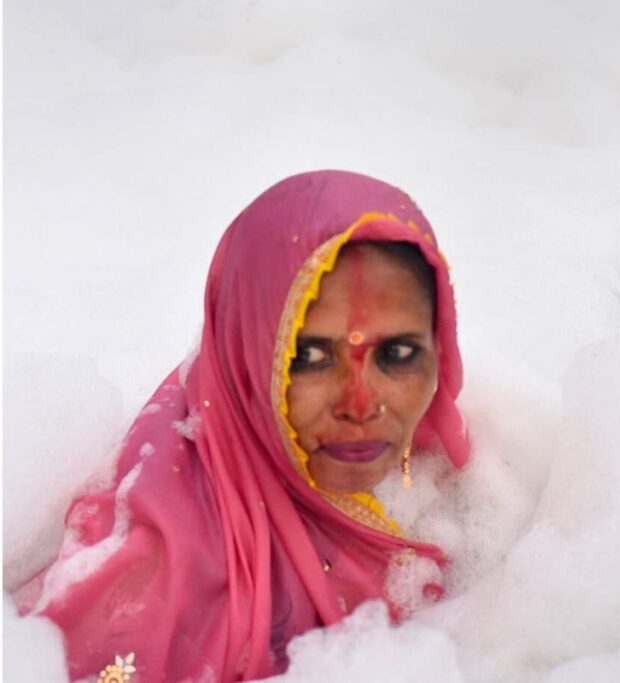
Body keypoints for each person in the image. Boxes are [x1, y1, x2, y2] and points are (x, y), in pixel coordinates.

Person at [15, 171, 471, 681]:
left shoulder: (465, 483)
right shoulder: (154, 585)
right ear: (246, 352)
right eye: (312, 356)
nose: (362, 404)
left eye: (397, 353)